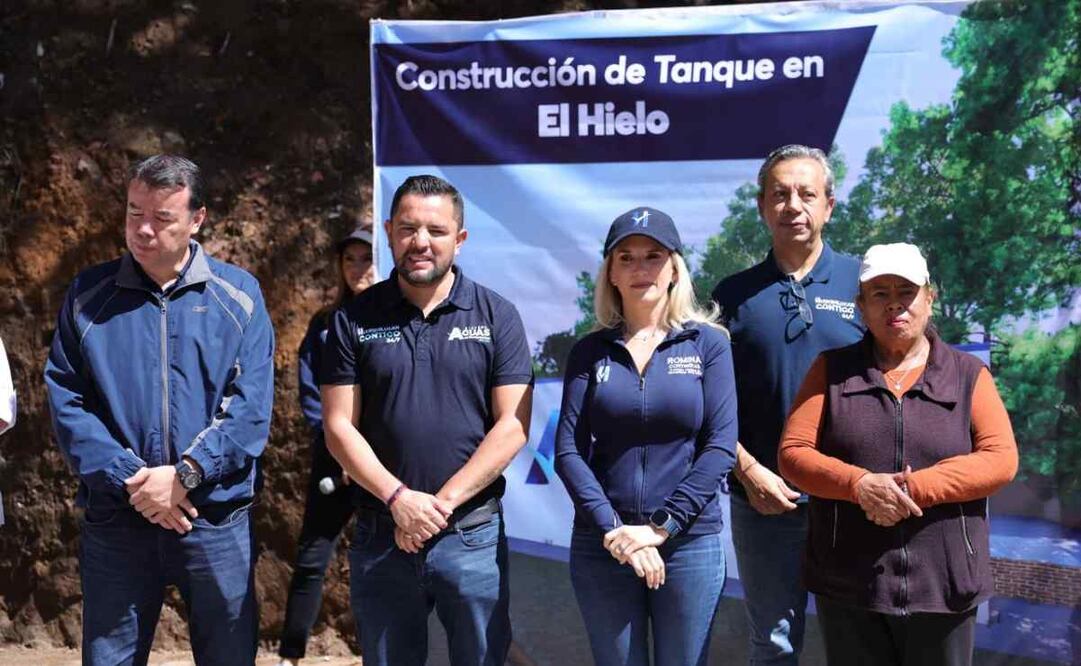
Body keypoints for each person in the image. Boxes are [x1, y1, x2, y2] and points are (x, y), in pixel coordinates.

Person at [44, 154, 275, 666]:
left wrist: (187, 474)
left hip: (214, 518)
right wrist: (133, 480)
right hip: (118, 518)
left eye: (162, 217)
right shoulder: (87, 296)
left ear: (197, 219)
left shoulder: (239, 296)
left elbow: (250, 410)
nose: (143, 229)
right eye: (134, 213)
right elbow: (67, 400)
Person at [320, 174, 534, 666]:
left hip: (471, 534)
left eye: (436, 231)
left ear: (460, 238)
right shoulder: (353, 319)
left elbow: (513, 426)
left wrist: (437, 506)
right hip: (381, 531)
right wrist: (399, 500)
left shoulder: (497, 315)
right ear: (389, 232)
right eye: (408, 228)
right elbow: (338, 426)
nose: (421, 242)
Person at [778, 242, 1018, 666]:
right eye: (880, 293)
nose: (894, 305)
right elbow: (794, 454)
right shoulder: (830, 370)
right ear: (861, 306)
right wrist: (859, 485)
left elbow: (1000, 459)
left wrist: (913, 489)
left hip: (945, 586)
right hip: (850, 584)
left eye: (906, 291)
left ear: (929, 298)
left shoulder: (967, 374)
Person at [555, 207, 738, 666]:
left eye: (654, 256)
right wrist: (615, 531)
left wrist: (660, 528)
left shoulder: (709, 344)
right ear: (611, 274)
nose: (641, 268)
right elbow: (568, 451)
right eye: (627, 258)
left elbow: (720, 447)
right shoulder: (589, 351)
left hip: (688, 545)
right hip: (605, 544)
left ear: (674, 268)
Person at [710, 144, 864, 664]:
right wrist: (749, 472)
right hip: (764, 501)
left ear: (829, 205)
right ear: (762, 206)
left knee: (861, 639)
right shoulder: (732, 296)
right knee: (773, 644)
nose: (793, 206)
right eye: (779, 194)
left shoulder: (866, 284)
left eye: (806, 194)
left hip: (850, 501)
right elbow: (708, 402)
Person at [278, 227, 375, 666]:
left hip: (386, 462)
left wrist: (368, 455)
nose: (357, 268)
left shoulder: (399, 321)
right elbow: (311, 392)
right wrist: (341, 448)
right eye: (349, 259)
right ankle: (289, 656)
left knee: (390, 561)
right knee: (313, 556)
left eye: (366, 258)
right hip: (332, 458)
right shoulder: (324, 324)